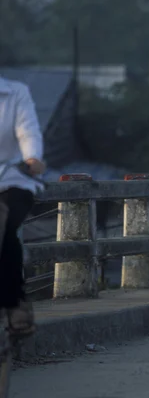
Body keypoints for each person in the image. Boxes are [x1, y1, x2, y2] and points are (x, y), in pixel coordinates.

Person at [0, 74, 46, 337]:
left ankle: (15, 301)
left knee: (4, 227)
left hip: (12, 179)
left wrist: (32, 158)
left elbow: (27, 130)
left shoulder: (15, 93)